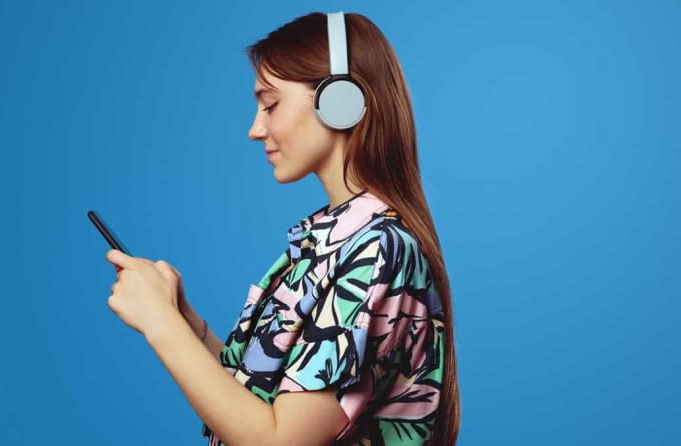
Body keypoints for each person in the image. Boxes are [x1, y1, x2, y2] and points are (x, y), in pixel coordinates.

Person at [104, 11, 460, 446]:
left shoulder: (379, 250)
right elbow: (267, 402)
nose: (255, 129)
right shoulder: (330, 244)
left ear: (340, 101)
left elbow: (278, 440)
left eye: (270, 104)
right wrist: (188, 323)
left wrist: (161, 323)